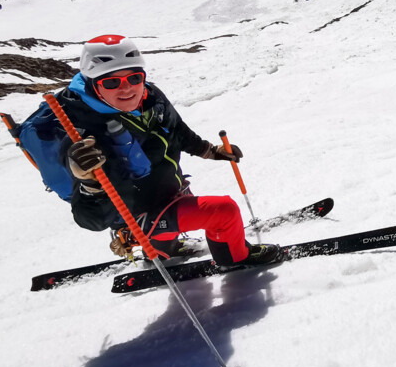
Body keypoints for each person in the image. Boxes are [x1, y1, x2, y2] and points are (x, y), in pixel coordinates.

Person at [56, 34, 284, 267]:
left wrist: (210, 151)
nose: (127, 88)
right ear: (93, 84)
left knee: (178, 214)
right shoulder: (83, 136)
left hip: (169, 193)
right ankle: (236, 258)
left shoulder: (150, 96)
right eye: (112, 82)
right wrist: (89, 183)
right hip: (142, 217)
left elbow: (176, 130)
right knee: (224, 212)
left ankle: (165, 250)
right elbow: (91, 220)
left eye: (135, 77)